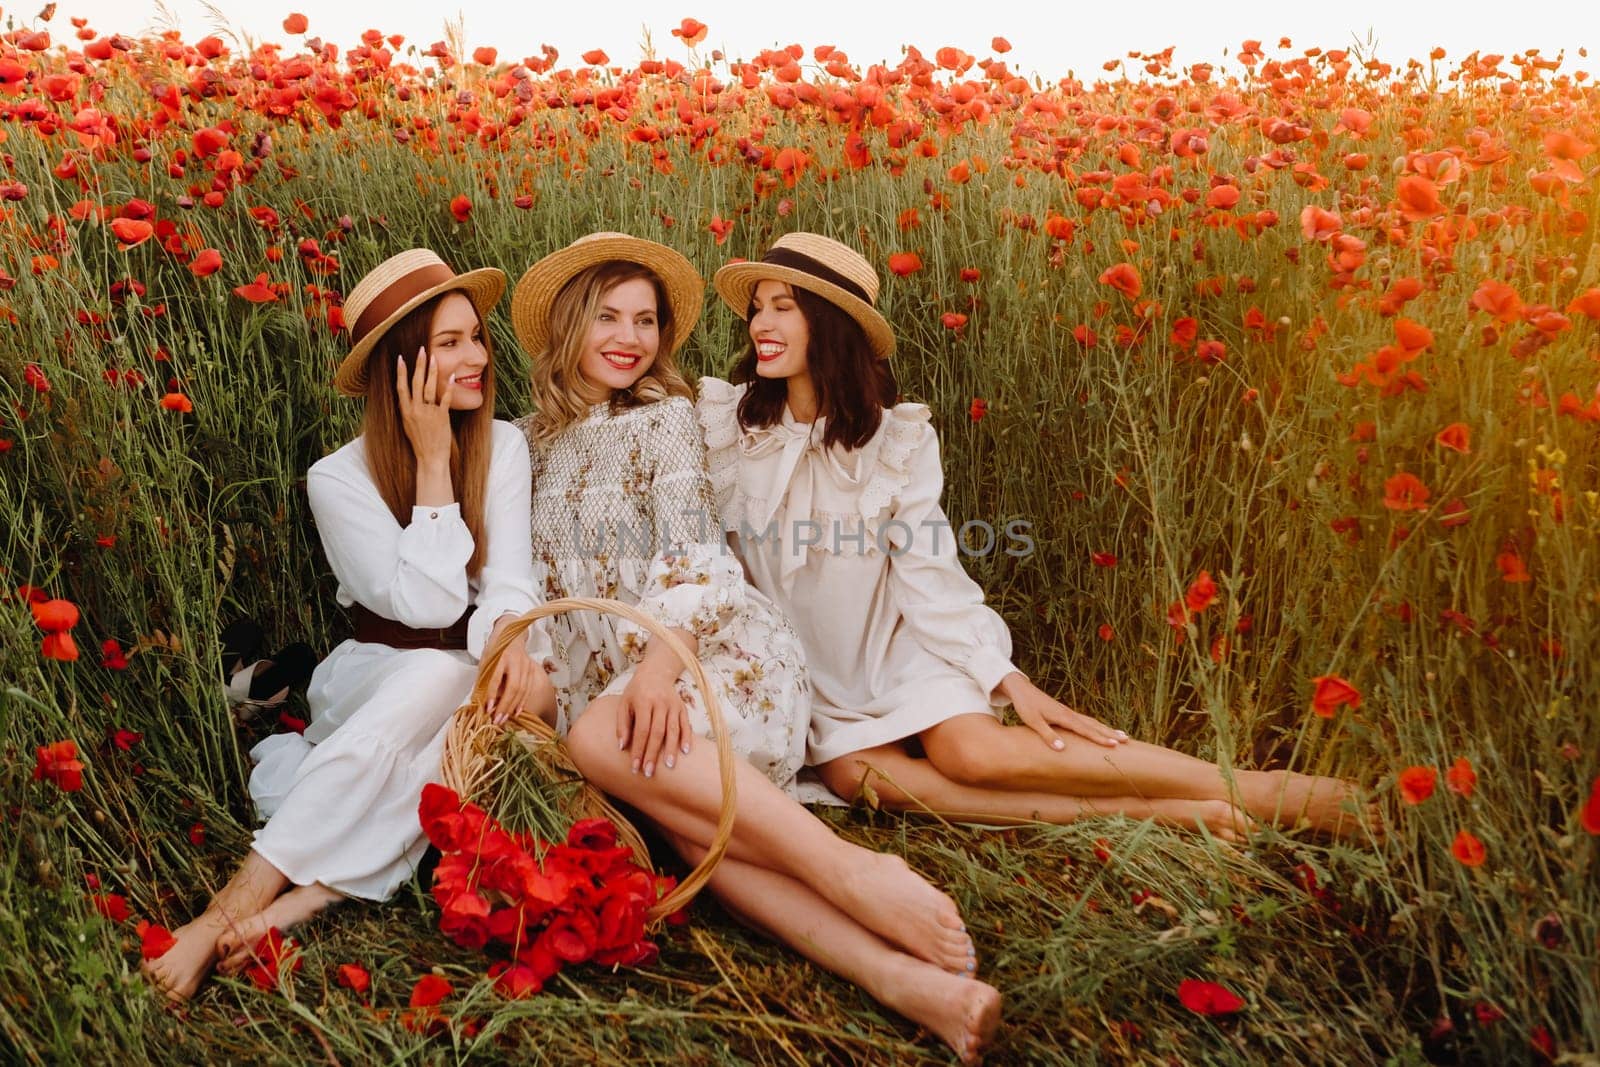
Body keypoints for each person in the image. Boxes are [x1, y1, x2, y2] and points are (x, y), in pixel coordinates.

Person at [697, 232, 1371, 839]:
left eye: (783, 305)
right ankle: (1163, 811)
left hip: (895, 650)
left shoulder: (894, 440)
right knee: (867, 782)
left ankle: (1260, 790)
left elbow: (929, 576)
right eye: (757, 306)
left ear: (831, 323)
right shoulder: (727, 424)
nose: (761, 323)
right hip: (805, 676)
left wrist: (1006, 678)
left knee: (975, 752)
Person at [509, 233, 1000, 1063]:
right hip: (621, 701)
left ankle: (850, 869)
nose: (631, 338)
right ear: (566, 325)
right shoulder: (523, 445)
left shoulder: (662, 420)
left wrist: (657, 665)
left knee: (607, 734)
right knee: (697, 836)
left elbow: (701, 558)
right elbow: (540, 600)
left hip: (711, 655)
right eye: (608, 317)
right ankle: (904, 981)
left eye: (647, 321)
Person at [143, 249, 557, 1000]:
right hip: (377, 674)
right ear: (402, 367)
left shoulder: (505, 447)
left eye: (476, 336)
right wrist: (433, 465)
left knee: (461, 702)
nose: (477, 357)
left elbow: (508, 582)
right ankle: (230, 907)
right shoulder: (337, 476)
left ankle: (302, 898)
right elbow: (428, 606)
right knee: (438, 676)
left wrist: (511, 644)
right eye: (450, 343)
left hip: (474, 668)